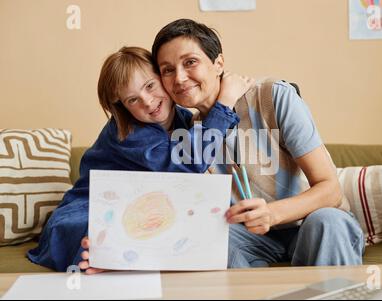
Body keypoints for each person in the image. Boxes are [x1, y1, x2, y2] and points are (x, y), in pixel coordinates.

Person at [149, 18, 365, 268]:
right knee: (210, 238)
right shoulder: (186, 132)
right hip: (250, 239)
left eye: (190, 62)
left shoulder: (273, 96)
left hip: (310, 223)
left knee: (328, 222)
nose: (179, 78)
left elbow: (331, 189)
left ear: (218, 64)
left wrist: (272, 214)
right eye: (167, 70)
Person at [27, 46, 254, 272]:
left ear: (163, 78)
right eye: (132, 100)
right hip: (90, 206)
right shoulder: (126, 132)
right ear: (123, 107)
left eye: (150, 86)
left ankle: (116, 257)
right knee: (92, 232)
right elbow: (186, 165)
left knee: (170, 230)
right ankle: (102, 260)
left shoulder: (184, 119)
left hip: (140, 208)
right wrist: (224, 102)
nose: (147, 101)